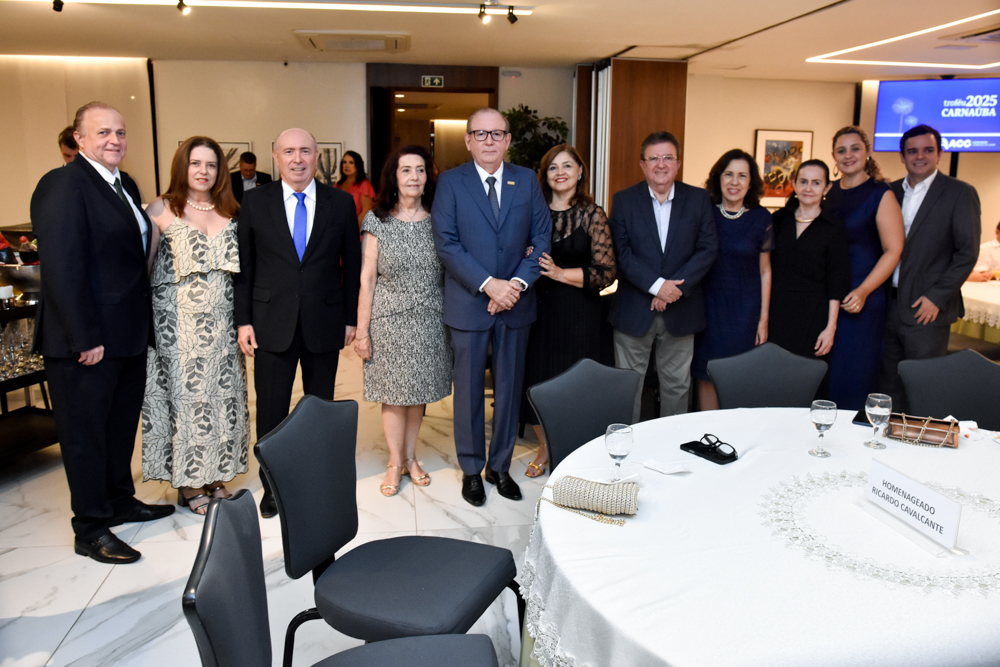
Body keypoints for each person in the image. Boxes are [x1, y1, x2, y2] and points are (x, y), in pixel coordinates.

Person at [30, 101, 174, 564]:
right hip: (86, 341)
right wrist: (84, 336)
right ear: (79, 139)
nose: (114, 140)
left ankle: (118, 500)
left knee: (118, 427)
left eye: (120, 132)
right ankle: (90, 527)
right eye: (103, 132)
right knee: (85, 435)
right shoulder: (62, 184)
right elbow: (62, 267)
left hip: (126, 335)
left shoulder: (125, 184)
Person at [234, 128, 362, 518]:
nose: (297, 159)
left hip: (325, 320)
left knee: (319, 409)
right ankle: (273, 486)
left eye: (305, 151)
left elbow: (352, 264)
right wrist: (243, 321)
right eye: (289, 151)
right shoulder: (255, 202)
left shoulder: (340, 203)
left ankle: (317, 479)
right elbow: (244, 267)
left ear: (316, 157)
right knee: (271, 410)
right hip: (270, 322)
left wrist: (351, 318)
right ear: (275, 157)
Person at [431, 108, 551, 507]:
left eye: (496, 133)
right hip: (470, 302)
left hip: (516, 302)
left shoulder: (526, 180)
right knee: (467, 390)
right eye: (480, 133)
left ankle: (499, 466)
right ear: (468, 140)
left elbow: (542, 237)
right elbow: (447, 243)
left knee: (509, 387)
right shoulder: (451, 182)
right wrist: (489, 285)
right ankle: (471, 469)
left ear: (507, 140)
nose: (488, 140)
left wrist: (514, 285)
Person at [141, 137, 249, 515]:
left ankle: (216, 474)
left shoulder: (231, 211)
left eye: (211, 164)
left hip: (224, 327)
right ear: (182, 167)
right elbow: (144, 269)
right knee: (189, 404)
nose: (203, 171)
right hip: (178, 329)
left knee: (223, 400)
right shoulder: (160, 209)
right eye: (195, 163)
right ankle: (189, 482)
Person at [354, 146, 451, 497]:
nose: (414, 177)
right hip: (388, 319)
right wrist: (362, 331)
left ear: (428, 177)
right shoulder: (376, 220)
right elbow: (367, 278)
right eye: (406, 170)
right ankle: (395, 461)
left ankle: (411, 456)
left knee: (418, 391)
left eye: (420, 170)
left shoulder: (440, 218)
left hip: (430, 318)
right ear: (394, 177)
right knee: (394, 394)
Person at [608, 131, 717, 421]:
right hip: (634, 309)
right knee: (628, 387)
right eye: (653, 158)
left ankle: (671, 445)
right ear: (642, 164)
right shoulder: (623, 200)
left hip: (682, 309)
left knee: (677, 387)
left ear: (678, 163)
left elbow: (707, 248)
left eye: (668, 157)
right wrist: (657, 287)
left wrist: (673, 290)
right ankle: (627, 445)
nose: (661, 164)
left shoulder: (698, 199)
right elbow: (621, 252)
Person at [520, 144, 615, 476]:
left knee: (575, 384)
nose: (560, 172)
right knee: (536, 380)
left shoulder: (592, 214)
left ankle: (575, 450)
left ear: (580, 171)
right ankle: (545, 447)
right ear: (544, 175)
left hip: (581, 313)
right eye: (552, 167)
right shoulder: (533, 213)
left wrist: (561, 274)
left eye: (567, 166)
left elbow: (606, 272)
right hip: (538, 310)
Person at [879, 125, 981, 410]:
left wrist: (937, 297)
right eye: (912, 151)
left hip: (927, 309)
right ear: (902, 156)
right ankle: (887, 434)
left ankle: (922, 437)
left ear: (940, 153)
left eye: (928, 150)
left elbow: (967, 253)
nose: (920, 156)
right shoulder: (889, 192)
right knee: (887, 385)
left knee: (923, 388)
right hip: (887, 306)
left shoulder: (960, 193)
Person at [824, 126, 905, 411]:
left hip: (861, 299)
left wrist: (863, 290)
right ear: (834, 156)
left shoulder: (881, 194)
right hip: (829, 297)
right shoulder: (828, 191)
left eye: (855, 148)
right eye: (841, 150)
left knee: (852, 376)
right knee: (825, 374)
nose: (848, 155)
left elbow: (894, 249)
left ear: (867, 152)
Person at [692, 149, 773, 411]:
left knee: (741, 379)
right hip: (708, 310)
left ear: (751, 182)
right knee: (706, 375)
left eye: (742, 176)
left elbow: (765, 271)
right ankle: (709, 432)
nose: (734, 182)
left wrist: (763, 319)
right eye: (728, 174)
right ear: (718, 178)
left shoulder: (761, 218)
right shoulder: (704, 213)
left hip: (745, 314)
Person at [768, 160, 851, 363]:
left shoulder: (834, 228)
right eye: (803, 181)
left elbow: (836, 282)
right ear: (794, 184)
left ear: (826, 188)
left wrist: (830, 328)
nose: (808, 188)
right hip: (776, 312)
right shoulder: (778, 219)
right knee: (773, 372)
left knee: (806, 374)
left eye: (816, 183)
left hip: (814, 316)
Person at [336, 150, 376, 224]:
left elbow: (366, 211)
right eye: (344, 162)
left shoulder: (364, 185)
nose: (347, 165)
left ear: (358, 165)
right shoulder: (338, 185)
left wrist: (352, 227)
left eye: (351, 162)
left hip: (357, 228)